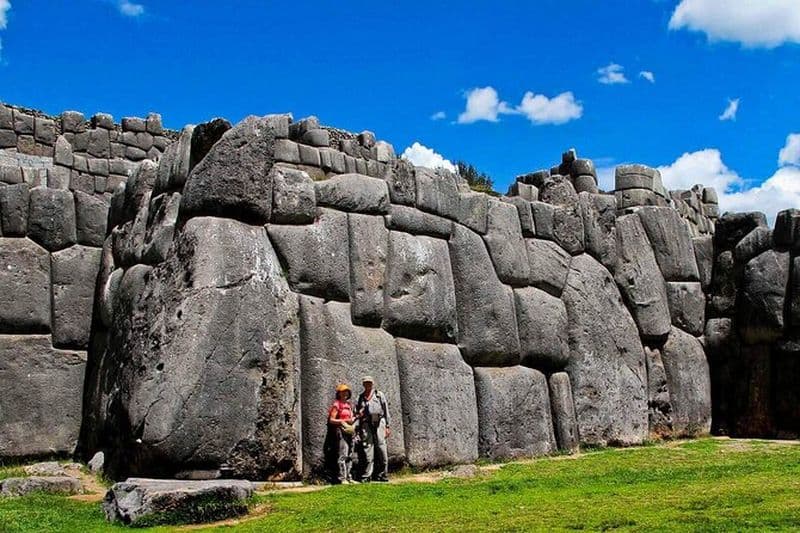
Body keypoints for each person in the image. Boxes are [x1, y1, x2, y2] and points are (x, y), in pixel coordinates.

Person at [355, 376, 390, 482]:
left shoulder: (379, 395)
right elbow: (356, 414)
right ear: (363, 384)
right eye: (366, 383)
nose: (368, 384)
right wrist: (357, 429)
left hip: (379, 423)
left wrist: (387, 426)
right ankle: (367, 475)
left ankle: (383, 474)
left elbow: (386, 410)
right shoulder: (360, 397)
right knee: (368, 450)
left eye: (369, 383)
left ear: (372, 383)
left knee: (381, 448)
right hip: (366, 424)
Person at [327, 383, 356, 484]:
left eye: (346, 392)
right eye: (343, 392)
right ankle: (342, 478)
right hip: (341, 431)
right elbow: (331, 420)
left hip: (350, 431)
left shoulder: (348, 405)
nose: (345, 394)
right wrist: (344, 421)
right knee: (343, 454)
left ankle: (349, 477)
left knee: (350, 454)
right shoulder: (337, 404)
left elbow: (351, 417)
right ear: (339, 394)